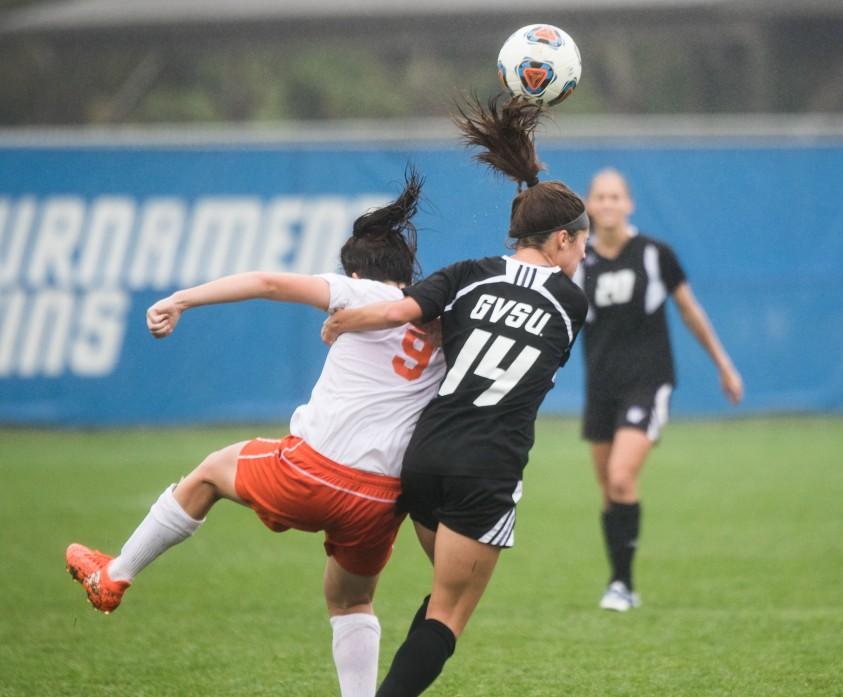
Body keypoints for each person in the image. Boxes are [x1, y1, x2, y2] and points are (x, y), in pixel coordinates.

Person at [64, 170, 445, 697]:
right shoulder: (441, 322)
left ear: (357, 269)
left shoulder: (356, 290)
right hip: (380, 499)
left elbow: (268, 282)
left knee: (208, 475)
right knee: (352, 602)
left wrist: (182, 299)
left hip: (313, 471)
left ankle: (115, 575)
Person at [320, 94, 590, 697]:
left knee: (440, 595)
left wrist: (343, 320)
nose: (582, 255)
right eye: (580, 243)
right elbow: (540, 272)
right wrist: (533, 180)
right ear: (566, 242)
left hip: (424, 457)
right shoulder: (571, 302)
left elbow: (398, 309)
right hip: (486, 466)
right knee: (448, 612)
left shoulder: (467, 274)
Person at [577, 168, 744, 612]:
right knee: (608, 493)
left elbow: (690, 312)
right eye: (600, 197)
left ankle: (621, 585)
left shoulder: (654, 255)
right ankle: (620, 582)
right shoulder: (578, 262)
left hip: (647, 384)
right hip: (601, 388)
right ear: (589, 206)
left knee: (620, 477)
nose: (608, 204)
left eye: (616, 196)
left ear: (629, 204)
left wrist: (723, 365)